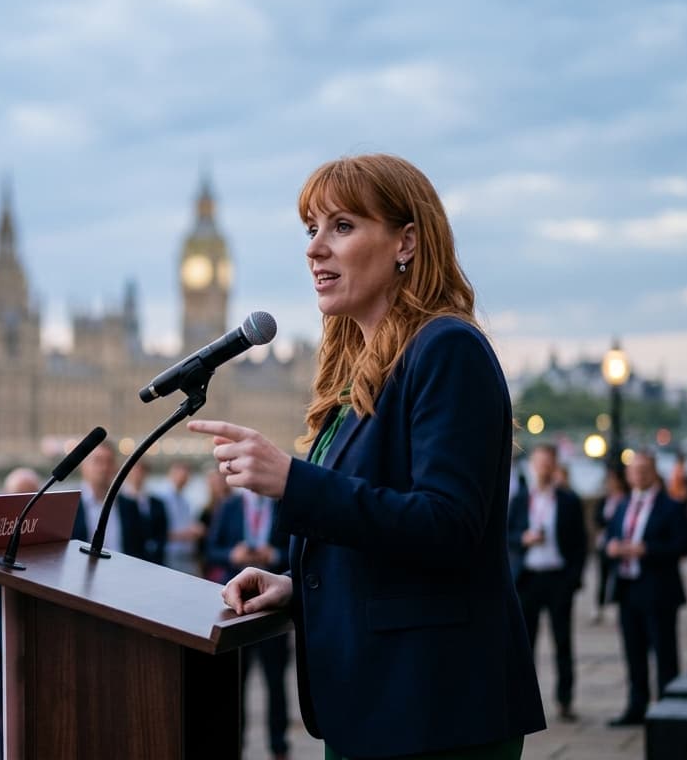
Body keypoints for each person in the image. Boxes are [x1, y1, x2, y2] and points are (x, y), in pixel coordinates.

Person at [190, 153, 545, 759]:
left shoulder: (447, 349)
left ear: (406, 241)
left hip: (434, 710)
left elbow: (448, 526)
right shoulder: (359, 375)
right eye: (311, 230)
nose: (315, 249)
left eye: (342, 226)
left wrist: (293, 482)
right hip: (374, 707)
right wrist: (296, 587)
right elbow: (382, 538)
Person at [605, 450, 687, 727]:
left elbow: (683, 545)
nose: (638, 475)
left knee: (664, 653)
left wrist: (646, 550)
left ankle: (669, 710)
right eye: (634, 471)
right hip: (628, 587)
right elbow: (610, 535)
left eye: (643, 470)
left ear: (654, 472)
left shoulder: (671, 506)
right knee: (633, 652)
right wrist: (612, 547)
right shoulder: (622, 504)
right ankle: (636, 706)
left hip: (659, 589)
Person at [205, 488, 291, 760]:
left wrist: (274, 555)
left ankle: (279, 746)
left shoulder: (283, 505)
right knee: (236, 682)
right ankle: (235, 744)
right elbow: (211, 549)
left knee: (276, 681)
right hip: (236, 609)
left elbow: (299, 550)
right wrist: (233, 555)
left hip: (273, 607)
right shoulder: (228, 505)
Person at [507, 444, 587, 722]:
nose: (542, 468)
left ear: (554, 466)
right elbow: (506, 536)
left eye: (547, 463)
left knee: (563, 642)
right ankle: (523, 703)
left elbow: (580, 544)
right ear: (532, 466)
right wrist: (523, 539)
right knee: (525, 645)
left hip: (557, 579)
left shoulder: (568, 501)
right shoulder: (519, 500)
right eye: (538, 463)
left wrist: (573, 580)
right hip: (528, 579)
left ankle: (565, 700)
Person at [0, 466, 41, 759]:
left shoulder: (49, 531)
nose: (26, 499)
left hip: (42, 633)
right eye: (19, 494)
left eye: (32, 493)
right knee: (8, 714)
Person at [592, 464, 631, 624]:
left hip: (623, 545)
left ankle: (618, 605)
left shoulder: (626, 498)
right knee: (602, 576)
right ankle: (599, 607)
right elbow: (597, 518)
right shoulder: (605, 499)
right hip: (605, 543)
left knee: (618, 575)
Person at [121, 457, 170, 565]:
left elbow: (162, 532)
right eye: (134, 470)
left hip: (153, 559)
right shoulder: (118, 502)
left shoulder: (157, 503)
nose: (138, 474)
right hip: (127, 558)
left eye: (141, 470)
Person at [162, 460, 205, 575]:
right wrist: (187, 534)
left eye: (186, 476)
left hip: (186, 556)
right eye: (181, 475)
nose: (184, 479)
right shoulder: (162, 499)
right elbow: (160, 532)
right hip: (171, 556)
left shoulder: (185, 501)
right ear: (172, 475)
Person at [198, 463, 234, 582]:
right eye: (212, 481)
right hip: (212, 563)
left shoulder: (236, 506)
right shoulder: (206, 510)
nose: (216, 484)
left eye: (218, 480)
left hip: (232, 561)